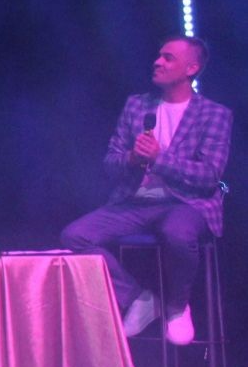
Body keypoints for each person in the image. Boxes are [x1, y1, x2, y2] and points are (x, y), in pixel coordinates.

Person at [60, 36, 231, 344]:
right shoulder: (137, 105)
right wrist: (132, 158)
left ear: (191, 68)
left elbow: (209, 175)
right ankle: (139, 298)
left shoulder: (214, 114)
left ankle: (177, 307)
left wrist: (158, 159)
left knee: (177, 233)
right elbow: (110, 162)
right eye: (158, 56)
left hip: (186, 203)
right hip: (136, 202)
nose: (157, 62)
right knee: (75, 236)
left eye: (168, 58)